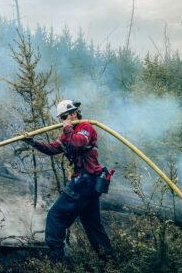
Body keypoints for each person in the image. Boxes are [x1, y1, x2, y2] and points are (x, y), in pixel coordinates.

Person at [24, 99, 112, 262]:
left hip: (86, 181)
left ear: (74, 113)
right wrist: (32, 142)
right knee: (92, 225)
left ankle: (57, 263)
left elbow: (78, 143)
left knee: (55, 217)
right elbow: (53, 148)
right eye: (62, 118)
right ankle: (109, 262)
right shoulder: (69, 132)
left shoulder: (85, 127)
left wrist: (67, 127)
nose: (63, 121)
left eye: (65, 116)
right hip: (88, 184)